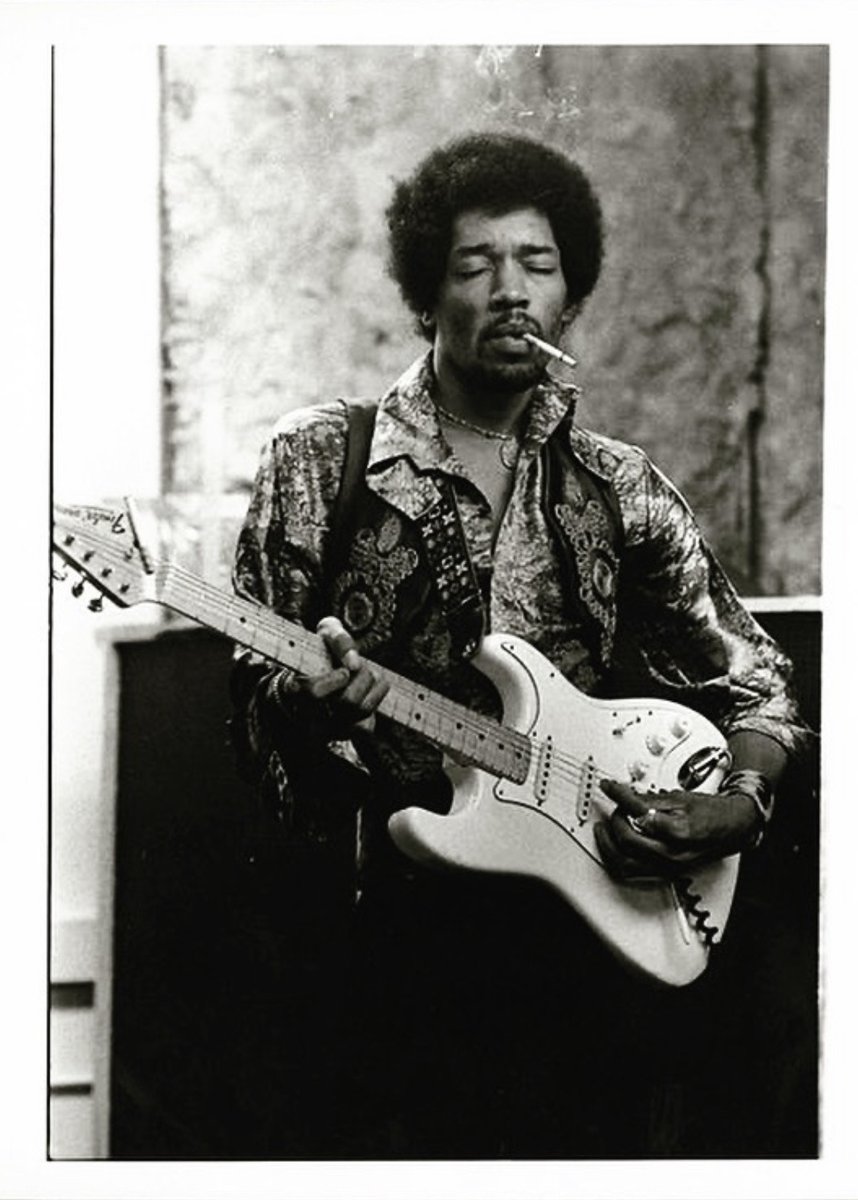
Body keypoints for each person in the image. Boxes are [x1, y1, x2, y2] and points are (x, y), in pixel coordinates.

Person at [230, 132, 813, 1158]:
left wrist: (737, 804)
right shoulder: (321, 456)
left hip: (593, 938)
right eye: (474, 265)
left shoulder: (620, 485)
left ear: (568, 298)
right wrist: (301, 700)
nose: (510, 291)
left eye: (537, 265)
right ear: (426, 295)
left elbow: (757, 680)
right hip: (388, 942)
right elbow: (253, 701)